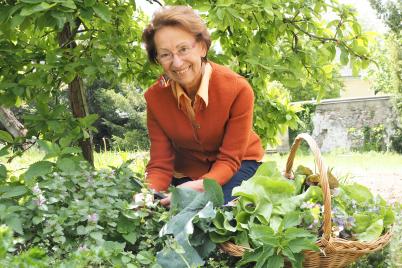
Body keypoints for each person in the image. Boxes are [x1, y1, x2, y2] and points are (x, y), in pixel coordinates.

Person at [142, 5, 264, 206]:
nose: (177, 63)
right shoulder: (155, 98)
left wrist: (201, 186)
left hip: (238, 166)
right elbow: (160, 164)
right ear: (158, 59)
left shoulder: (238, 89)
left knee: (210, 213)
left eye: (183, 49)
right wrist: (147, 195)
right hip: (187, 175)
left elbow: (229, 160)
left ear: (202, 47)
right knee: (164, 213)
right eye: (165, 54)